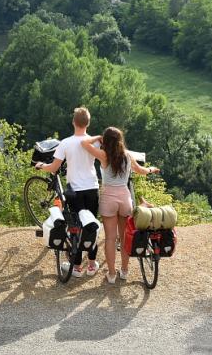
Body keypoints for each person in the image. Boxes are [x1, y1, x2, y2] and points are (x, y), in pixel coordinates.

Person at [81, 127, 160, 284]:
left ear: (106, 141)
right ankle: (124, 271)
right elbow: (142, 170)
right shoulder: (127, 155)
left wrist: (97, 137)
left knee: (110, 239)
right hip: (125, 198)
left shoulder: (104, 155)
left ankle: (111, 274)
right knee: (124, 238)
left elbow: (84, 143)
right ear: (120, 141)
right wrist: (152, 169)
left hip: (108, 199)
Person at [35, 107, 101, 277]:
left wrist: (41, 166)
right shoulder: (95, 142)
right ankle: (92, 265)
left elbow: (54, 167)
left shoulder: (65, 143)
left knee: (76, 228)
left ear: (73, 122)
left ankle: (77, 267)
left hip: (75, 191)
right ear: (88, 122)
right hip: (93, 188)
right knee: (91, 226)